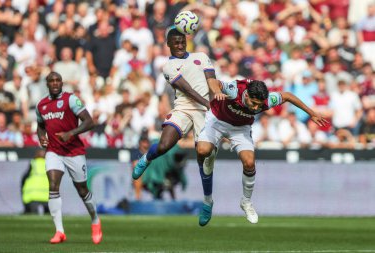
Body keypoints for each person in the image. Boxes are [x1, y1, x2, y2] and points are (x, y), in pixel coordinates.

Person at [196, 79, 328, 226]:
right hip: (217, 120)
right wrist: (218, 92)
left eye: (260, 104)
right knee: (203, 150)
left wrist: (311, 113)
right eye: (254, 103)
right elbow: (213, 81)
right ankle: (208, 201)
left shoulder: (267, 100)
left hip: (240, 128)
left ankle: (246, 202)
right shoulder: (235, 90)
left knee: (249, 163)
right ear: (246, 96)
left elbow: (288, 96)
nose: (256, 107)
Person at [132, 26, 225, 180]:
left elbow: (211, 80)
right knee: (164, 145)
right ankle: (147, 158)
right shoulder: (168, 66)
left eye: (183, 42)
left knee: (204, 156)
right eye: (176, 43)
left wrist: (217, 93)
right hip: (184, 108)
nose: (181, 45)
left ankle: (208, 199)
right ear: (168, 44)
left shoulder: (201, 57)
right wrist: (207, 103)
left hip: (203, 111)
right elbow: (187, 89)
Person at [36, 72, 102, 244]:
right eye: (52, 80)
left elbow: (89, 121)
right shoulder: (41, 105)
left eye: (58, 80)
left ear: (62, 83)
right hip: (54, 151)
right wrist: (41, 137)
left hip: (74, 151)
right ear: (47, 83)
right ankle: (59, 231)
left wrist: (71, 133)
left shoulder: (71, 100)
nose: (55, 83)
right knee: (53, 185)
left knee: (82, 190)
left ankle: (95, 220)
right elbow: (40, 126)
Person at [21, 149, 49, 215]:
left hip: (32, 195)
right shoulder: (50, 164)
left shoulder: (33, 163)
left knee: (32, 215)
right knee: (49, 217)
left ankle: (26, 211)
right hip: (47, 196)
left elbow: (24, 179)